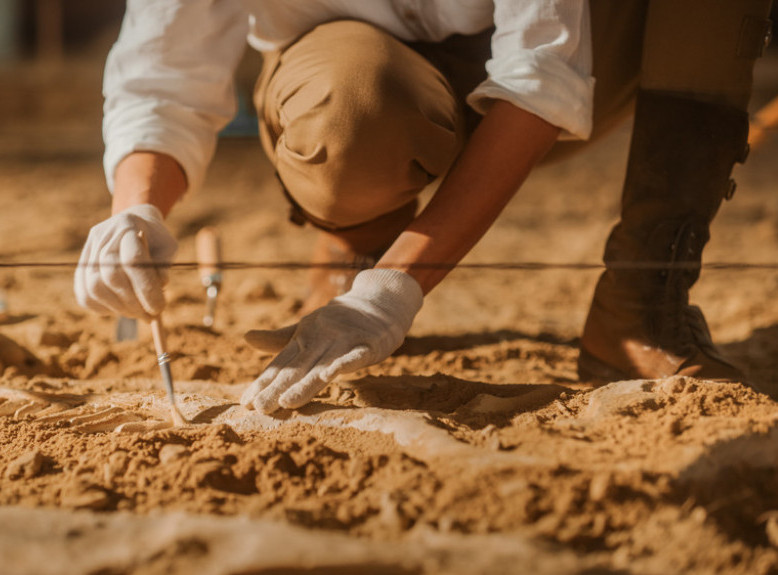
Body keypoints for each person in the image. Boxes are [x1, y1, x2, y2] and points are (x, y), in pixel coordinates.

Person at [74, 1, 773, 415]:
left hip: (575, 68)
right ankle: (357, 234)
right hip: (355, 80)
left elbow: (541, 78)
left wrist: (394, 290)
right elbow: (163, 75)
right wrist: (137, 210)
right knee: (353, 106)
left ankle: (643, 296)